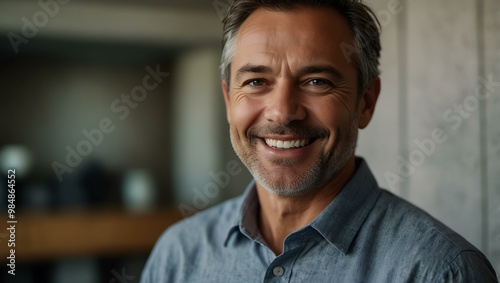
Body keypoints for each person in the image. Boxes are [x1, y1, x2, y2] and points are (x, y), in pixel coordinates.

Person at [141, 0, 498, 282]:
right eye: (255, 82)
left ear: (366, 103)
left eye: (316, 81)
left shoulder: (440, 271)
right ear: (227, 100)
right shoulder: (178, 254)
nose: (282, 112)